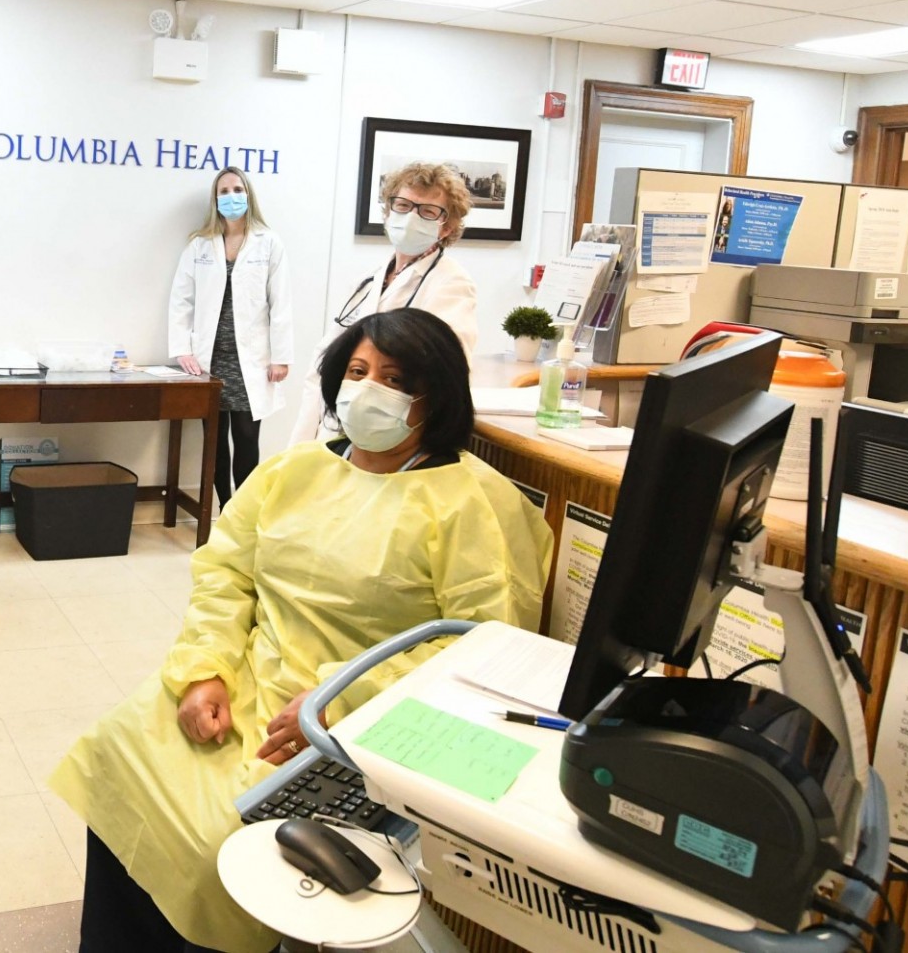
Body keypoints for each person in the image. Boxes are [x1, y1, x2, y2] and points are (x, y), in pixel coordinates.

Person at [52, 308, 553, 953]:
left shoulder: (470, 501)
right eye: (358, 371)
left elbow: (483, 643)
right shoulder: (295, 471)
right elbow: (225, 573)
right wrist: (206, 668)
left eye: (396, 379)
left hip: (336, 721)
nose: (369, 390)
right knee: (117, 752)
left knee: (215, 843)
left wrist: (335, 704)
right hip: (246, 676)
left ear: (437, 397)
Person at [289, 161, 479, 444]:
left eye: (427, 211)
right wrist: (300, 445)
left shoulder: (451, 283)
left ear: (446, 228)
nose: (411, 217)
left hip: (388, 431)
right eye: (402, 205)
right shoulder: (371, 280)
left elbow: (445, 367)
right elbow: (322, 364)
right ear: (388, 212)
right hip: (335, 424)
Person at [167, 167, 292, 507]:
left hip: (251, 359)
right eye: (224, 191)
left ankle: (244, 511)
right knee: (215, 441)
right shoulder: (200, 244)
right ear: (215, 199)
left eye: (237, 188)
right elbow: (182, 299)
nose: (231, 196)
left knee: (248, 438)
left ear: (248, 194)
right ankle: (221, 506)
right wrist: (182, 349)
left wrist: (281, 357)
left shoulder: (269, 242)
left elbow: (280, 302)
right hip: (211, 359)